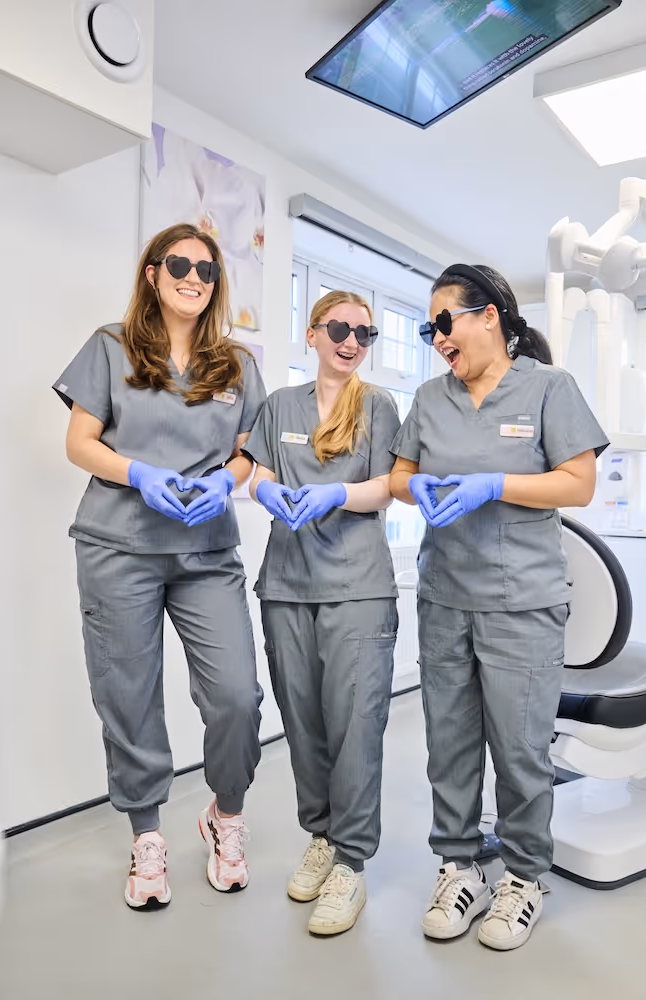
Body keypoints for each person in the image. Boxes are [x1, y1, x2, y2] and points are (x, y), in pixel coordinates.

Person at [390, 264, 608, 952]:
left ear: (488, 316)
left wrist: (493, 484)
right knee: (449, 746)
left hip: (522, 601)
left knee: (518, 750)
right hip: (444, 595)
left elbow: (577, 485)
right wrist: (416, 490)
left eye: (443, 323)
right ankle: (460, 864)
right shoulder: (429, 398)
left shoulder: (548, 388)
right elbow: (400, 475)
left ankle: (521, 877)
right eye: (427, 330)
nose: (435, 339)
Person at [54, 223, 266, 909]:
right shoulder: (109, 347)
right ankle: (146, 835)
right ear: (151, 273)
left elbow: (247, 454)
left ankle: (223, 815)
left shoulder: (235, 363)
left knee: (235, 696)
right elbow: (79, 443)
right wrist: (137, 473)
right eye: (179, 264)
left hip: (205, 551)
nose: (194, 277)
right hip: (118, 546)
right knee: (129, 695)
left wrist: (224, 479)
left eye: (206, 270)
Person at [243, 290, 401, 936]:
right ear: (311, 334)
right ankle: (322, 836)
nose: (351, 341)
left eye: (364, 334)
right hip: (286, 585)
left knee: (353, 728)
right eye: (338, 328)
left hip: (357, 590)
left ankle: (352, 862)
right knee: (302, 725)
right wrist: (267, 489)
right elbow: (252, 471)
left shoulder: (379, 406)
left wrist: (338, 492)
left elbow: (391, 484)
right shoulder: (279, 405)